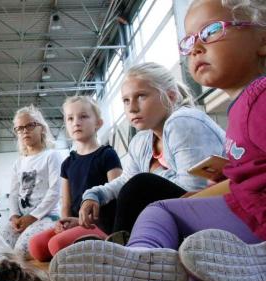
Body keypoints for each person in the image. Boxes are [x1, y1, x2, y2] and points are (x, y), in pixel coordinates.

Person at [50, 0, 266, 281]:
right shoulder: (241, 106)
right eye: (189, 41)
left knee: (149, 195)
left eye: (212, 31)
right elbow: (245, 176)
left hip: (253, 214)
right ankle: (140, 258)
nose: (196, 48)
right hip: (247, 210)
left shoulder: (255, 101)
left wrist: (202, 195)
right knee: (158, 209)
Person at [78, 62, 226, 235]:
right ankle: (124, 242)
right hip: (171, 214)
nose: (132, 108)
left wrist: (149, 182)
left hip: (209, 214)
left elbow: (193, 190)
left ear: (170, 97)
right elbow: (125, 182)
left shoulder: (183, 122)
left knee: (141, 185)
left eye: (141, 96)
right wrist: (94, 195)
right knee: (103, 204)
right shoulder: (141, 141)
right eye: (126, 101)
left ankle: (122, 251)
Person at [29, 96, 122, 262]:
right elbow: (66, 203)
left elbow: (117, 196)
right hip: (75, 222)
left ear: (98, 123)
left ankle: (99, 246)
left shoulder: (107, 155)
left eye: (83, 116)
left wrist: (82, 222)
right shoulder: (67, 163)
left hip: (100, 225)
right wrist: (63, 223)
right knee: (36, 246)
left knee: (57, 246)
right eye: (70, 118)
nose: (76, 122)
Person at [0, 105, 63, 258]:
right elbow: (13, 194)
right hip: (21, 218)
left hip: (47, 216)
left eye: (30, 125)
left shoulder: (51, 156)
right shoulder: (18, 163)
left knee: (22, 250)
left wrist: (33, 217)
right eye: (19, 128)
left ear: (41, 128)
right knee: (0, 247)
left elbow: (55, 191)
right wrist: (14, 216)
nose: (25, 130)